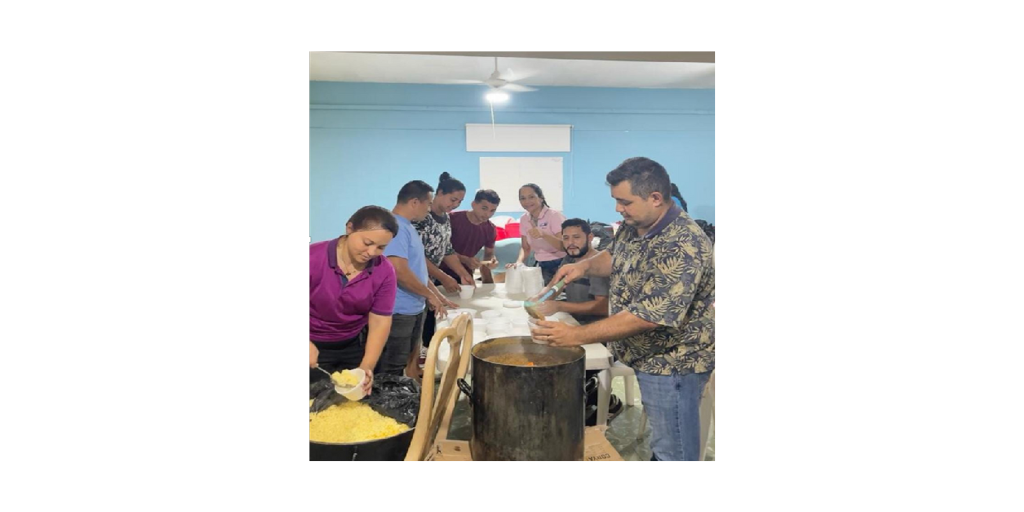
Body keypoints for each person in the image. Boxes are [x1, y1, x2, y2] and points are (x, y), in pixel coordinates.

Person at [533, 157, 715, 461]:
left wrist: (576, 335)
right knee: (666, 441)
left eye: (624, 201)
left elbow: (648, 317)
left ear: (655, 198)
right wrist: (584, 266)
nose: (619, 208)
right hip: (645, 354)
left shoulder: (683, 243)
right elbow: (615, 258)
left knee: (674, 450)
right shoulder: (637, 224)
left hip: (673, 363)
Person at [530, 218, 620, 424]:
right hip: (573, 324)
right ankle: (583, 397)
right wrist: (538, 299)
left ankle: (605, 403)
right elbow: (554, 286)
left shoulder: (596, 264)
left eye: (577, 237)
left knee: (555, 363)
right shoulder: (569, 260)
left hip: (598, 333)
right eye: (566, 238)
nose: (571, 243)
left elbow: (603, 307)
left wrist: (560, 306)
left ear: (590, 238)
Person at [309, 206, 400, 397]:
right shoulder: (312, 258)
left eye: (381, 247)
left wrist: (366, 368)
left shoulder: (384, 271)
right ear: (349, 228)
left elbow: (380, 321)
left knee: (351, 402)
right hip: (312, 343)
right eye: (367, 242)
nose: (372, 252)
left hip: (352, 344)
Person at [378, 181, 457, 381]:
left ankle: (414, 386)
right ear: (414, 202)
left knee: (410, 359)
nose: (429, 208)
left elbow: (417, 269)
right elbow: (399, 271)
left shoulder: (408, 227)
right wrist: (429, 295)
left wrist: (437, 295)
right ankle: (389, 407)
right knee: (392, 367)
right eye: (428, 203)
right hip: (398, 309)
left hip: (413, 306)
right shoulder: (395, 227)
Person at [414, 172, 474, 350]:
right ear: (439, 193)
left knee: (430, 322)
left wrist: (462, 273)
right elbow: (416, 256)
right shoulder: (422, 216)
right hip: (415, 280)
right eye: (452, 199)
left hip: (430, 280)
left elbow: (446, 249)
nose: (454, 205)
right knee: (415, 330)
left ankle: (423, 357)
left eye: (459, 202)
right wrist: (443, 276)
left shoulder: (446, 217)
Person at [507, 184, 567, 284]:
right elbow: (525, 247)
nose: (527, 201)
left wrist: (544, 234)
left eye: (531, 197)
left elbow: (563, 246)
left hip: (561, 262)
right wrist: (519, 262)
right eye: (523, 198)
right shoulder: (524, 219)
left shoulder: (554, 215)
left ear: (541, 198)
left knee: (555, 295)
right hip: (541, 264)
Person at [442, 189, 502, 284]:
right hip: (440, 274)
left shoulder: (490, 229)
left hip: (465, 276)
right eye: (484, 208)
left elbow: (488, 254)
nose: (488, 214)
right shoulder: (451, 219)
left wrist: (491, 261)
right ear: (473, 204)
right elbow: (440, 249)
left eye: (492, 210)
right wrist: (465, 259)